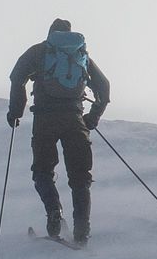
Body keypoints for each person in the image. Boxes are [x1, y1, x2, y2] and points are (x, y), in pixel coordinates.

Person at [7, 18, 111, 245]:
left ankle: (54, 212)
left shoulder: (39, 51)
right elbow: (104, 86)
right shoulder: (79, 54)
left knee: (43, 171)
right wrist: (92, 117)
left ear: (50, 33)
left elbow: (17, 77)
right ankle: (82, 232)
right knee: (80, 178)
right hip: (75, 120)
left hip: (45, 120)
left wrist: (15, 112)